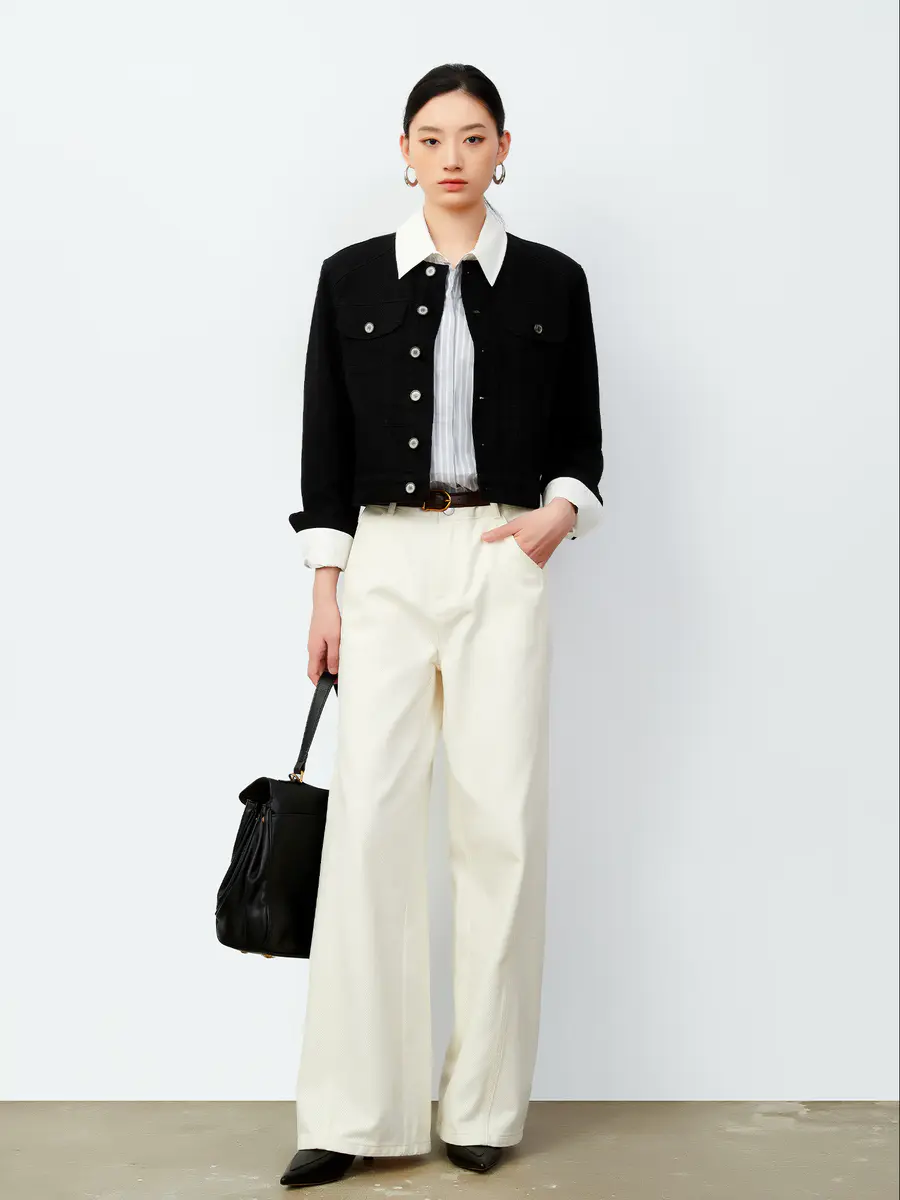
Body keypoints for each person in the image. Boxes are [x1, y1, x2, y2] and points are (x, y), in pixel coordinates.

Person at [279, 62, 604, 1190]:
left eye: (473, 136)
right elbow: (323, 442)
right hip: (381, 559)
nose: (452, 156)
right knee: (369, 825)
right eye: (432, 136)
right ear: (405, 151)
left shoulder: (553, 281)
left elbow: (582, 436)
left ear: (503, 149)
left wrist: (560, 514)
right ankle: (353, 1113)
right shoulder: (350, 277)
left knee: (497, 825)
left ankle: (483, 1106)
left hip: (502, 552)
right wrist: (325, 585)